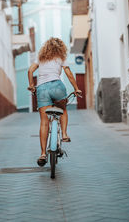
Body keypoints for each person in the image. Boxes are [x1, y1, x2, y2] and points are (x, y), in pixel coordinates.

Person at [27, 37, 82, 166]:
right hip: (57, 86)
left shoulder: (40, 58)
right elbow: (68, 73)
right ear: (60, 48)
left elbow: (30, 70)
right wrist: (76, 88)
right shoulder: (61, 57)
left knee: (44, 122)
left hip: (42, 89)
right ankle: (64, 134)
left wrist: (31, 85)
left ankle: (42, 154)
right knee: (63, 110)